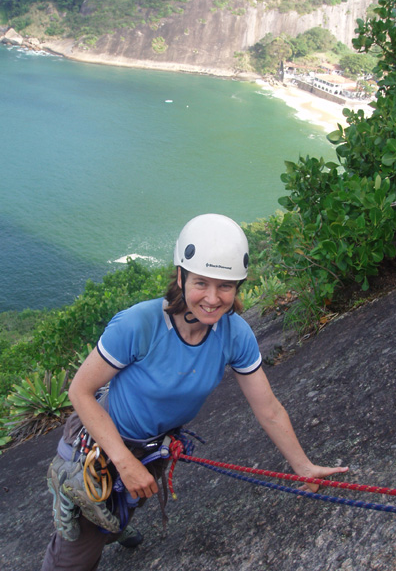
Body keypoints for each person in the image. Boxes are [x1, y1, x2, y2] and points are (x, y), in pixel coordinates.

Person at [41, 213, 348, 571]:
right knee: (75, 555)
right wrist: (123, 462)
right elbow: (80, 391)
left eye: (226, 286)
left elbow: (269, 409)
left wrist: (303, 467)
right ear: (180, 276)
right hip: (100, 447)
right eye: (201, 283)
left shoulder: (235, 335)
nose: (213, 299)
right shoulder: (139, 325)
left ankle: (114, 527)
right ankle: (92, 527)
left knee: (123, 507)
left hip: (153, 447)